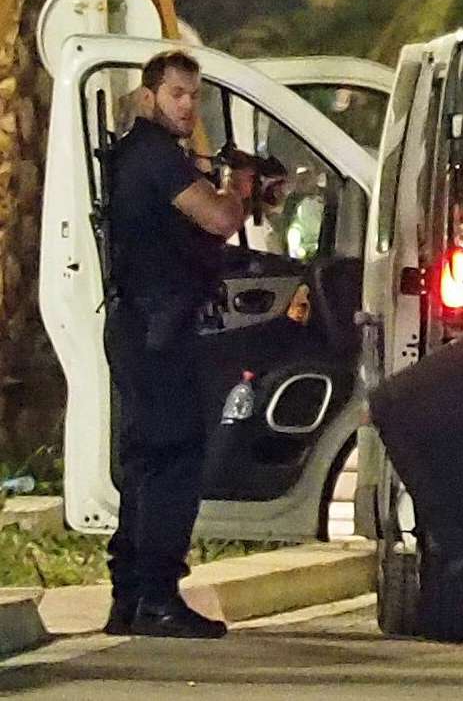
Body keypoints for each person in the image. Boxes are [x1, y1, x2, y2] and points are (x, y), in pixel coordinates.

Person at [101, 51, 251, 638]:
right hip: (157, 330)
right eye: (178, 94)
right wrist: (238, 192)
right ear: (150, 97)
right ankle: (158, 598)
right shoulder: (155, 157)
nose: (189, 105)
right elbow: (217, 218)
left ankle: (131, 598)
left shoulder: (144, 155)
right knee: (172, 461)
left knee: (145, 462)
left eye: (195, 96)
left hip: (142, 326)